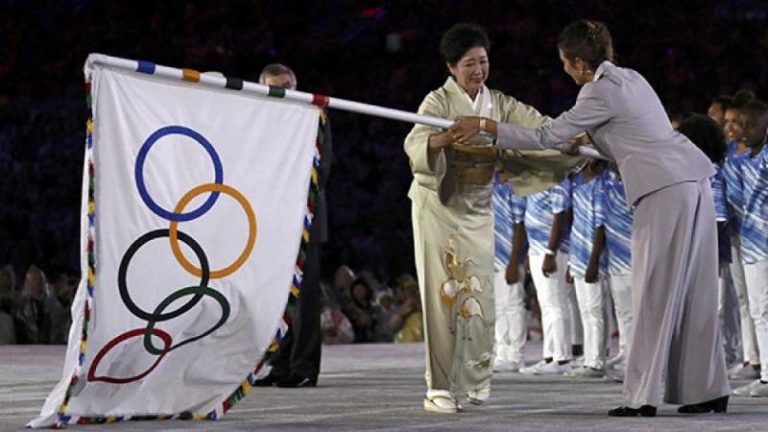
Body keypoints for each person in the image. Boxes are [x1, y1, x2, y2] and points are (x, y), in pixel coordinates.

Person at [451, 19, 730, 416]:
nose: (565, 71)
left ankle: (641, 399)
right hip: (694, 177)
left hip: (664, 189)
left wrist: (483, 126)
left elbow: (546, 137)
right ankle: (708, 390)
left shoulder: (596, 92)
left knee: (653, 292)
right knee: (696, 292)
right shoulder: (631, 78)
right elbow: (629, 132)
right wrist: (589, 139)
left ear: (580, 62)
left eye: (565, 63)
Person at [403, 22, 582, 414]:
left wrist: (572, 137)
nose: (478, 70)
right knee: (442, 296)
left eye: (483, 61)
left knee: (480, 293)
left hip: (479, 206)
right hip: (439, 207)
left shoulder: (499, 103)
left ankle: (474, 379)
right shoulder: (436, 103)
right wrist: (443, 139)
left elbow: (538, 127)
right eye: (469, 64)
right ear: (451, 68)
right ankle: (439, 388)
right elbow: (415, 144)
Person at [255, 63, 331, 388]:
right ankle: (281, 364)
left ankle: (304, 367)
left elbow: (321, 170)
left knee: (305, 299)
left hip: (304, 219)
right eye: (276, 87)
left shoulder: (315, 117)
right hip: (271, 223)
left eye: (288, 85)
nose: (284, 92)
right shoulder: (258, 125)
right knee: (277, 299)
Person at [731, 100, 768, 397]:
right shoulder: (744, 160)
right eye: (741, 124)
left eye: (750, 125)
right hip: (751, 244)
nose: (744, 130)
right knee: (758, 309)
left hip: (764, 244)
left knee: (763, 310)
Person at [491, 170, 528, 372]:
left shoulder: (516, 187)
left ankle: (516, 355)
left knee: (513, 306)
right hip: (493, 257)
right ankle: (502, 353)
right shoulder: (493, 186)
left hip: (510, 258)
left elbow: (519, 226)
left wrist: (514, 261)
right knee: (499, 307)